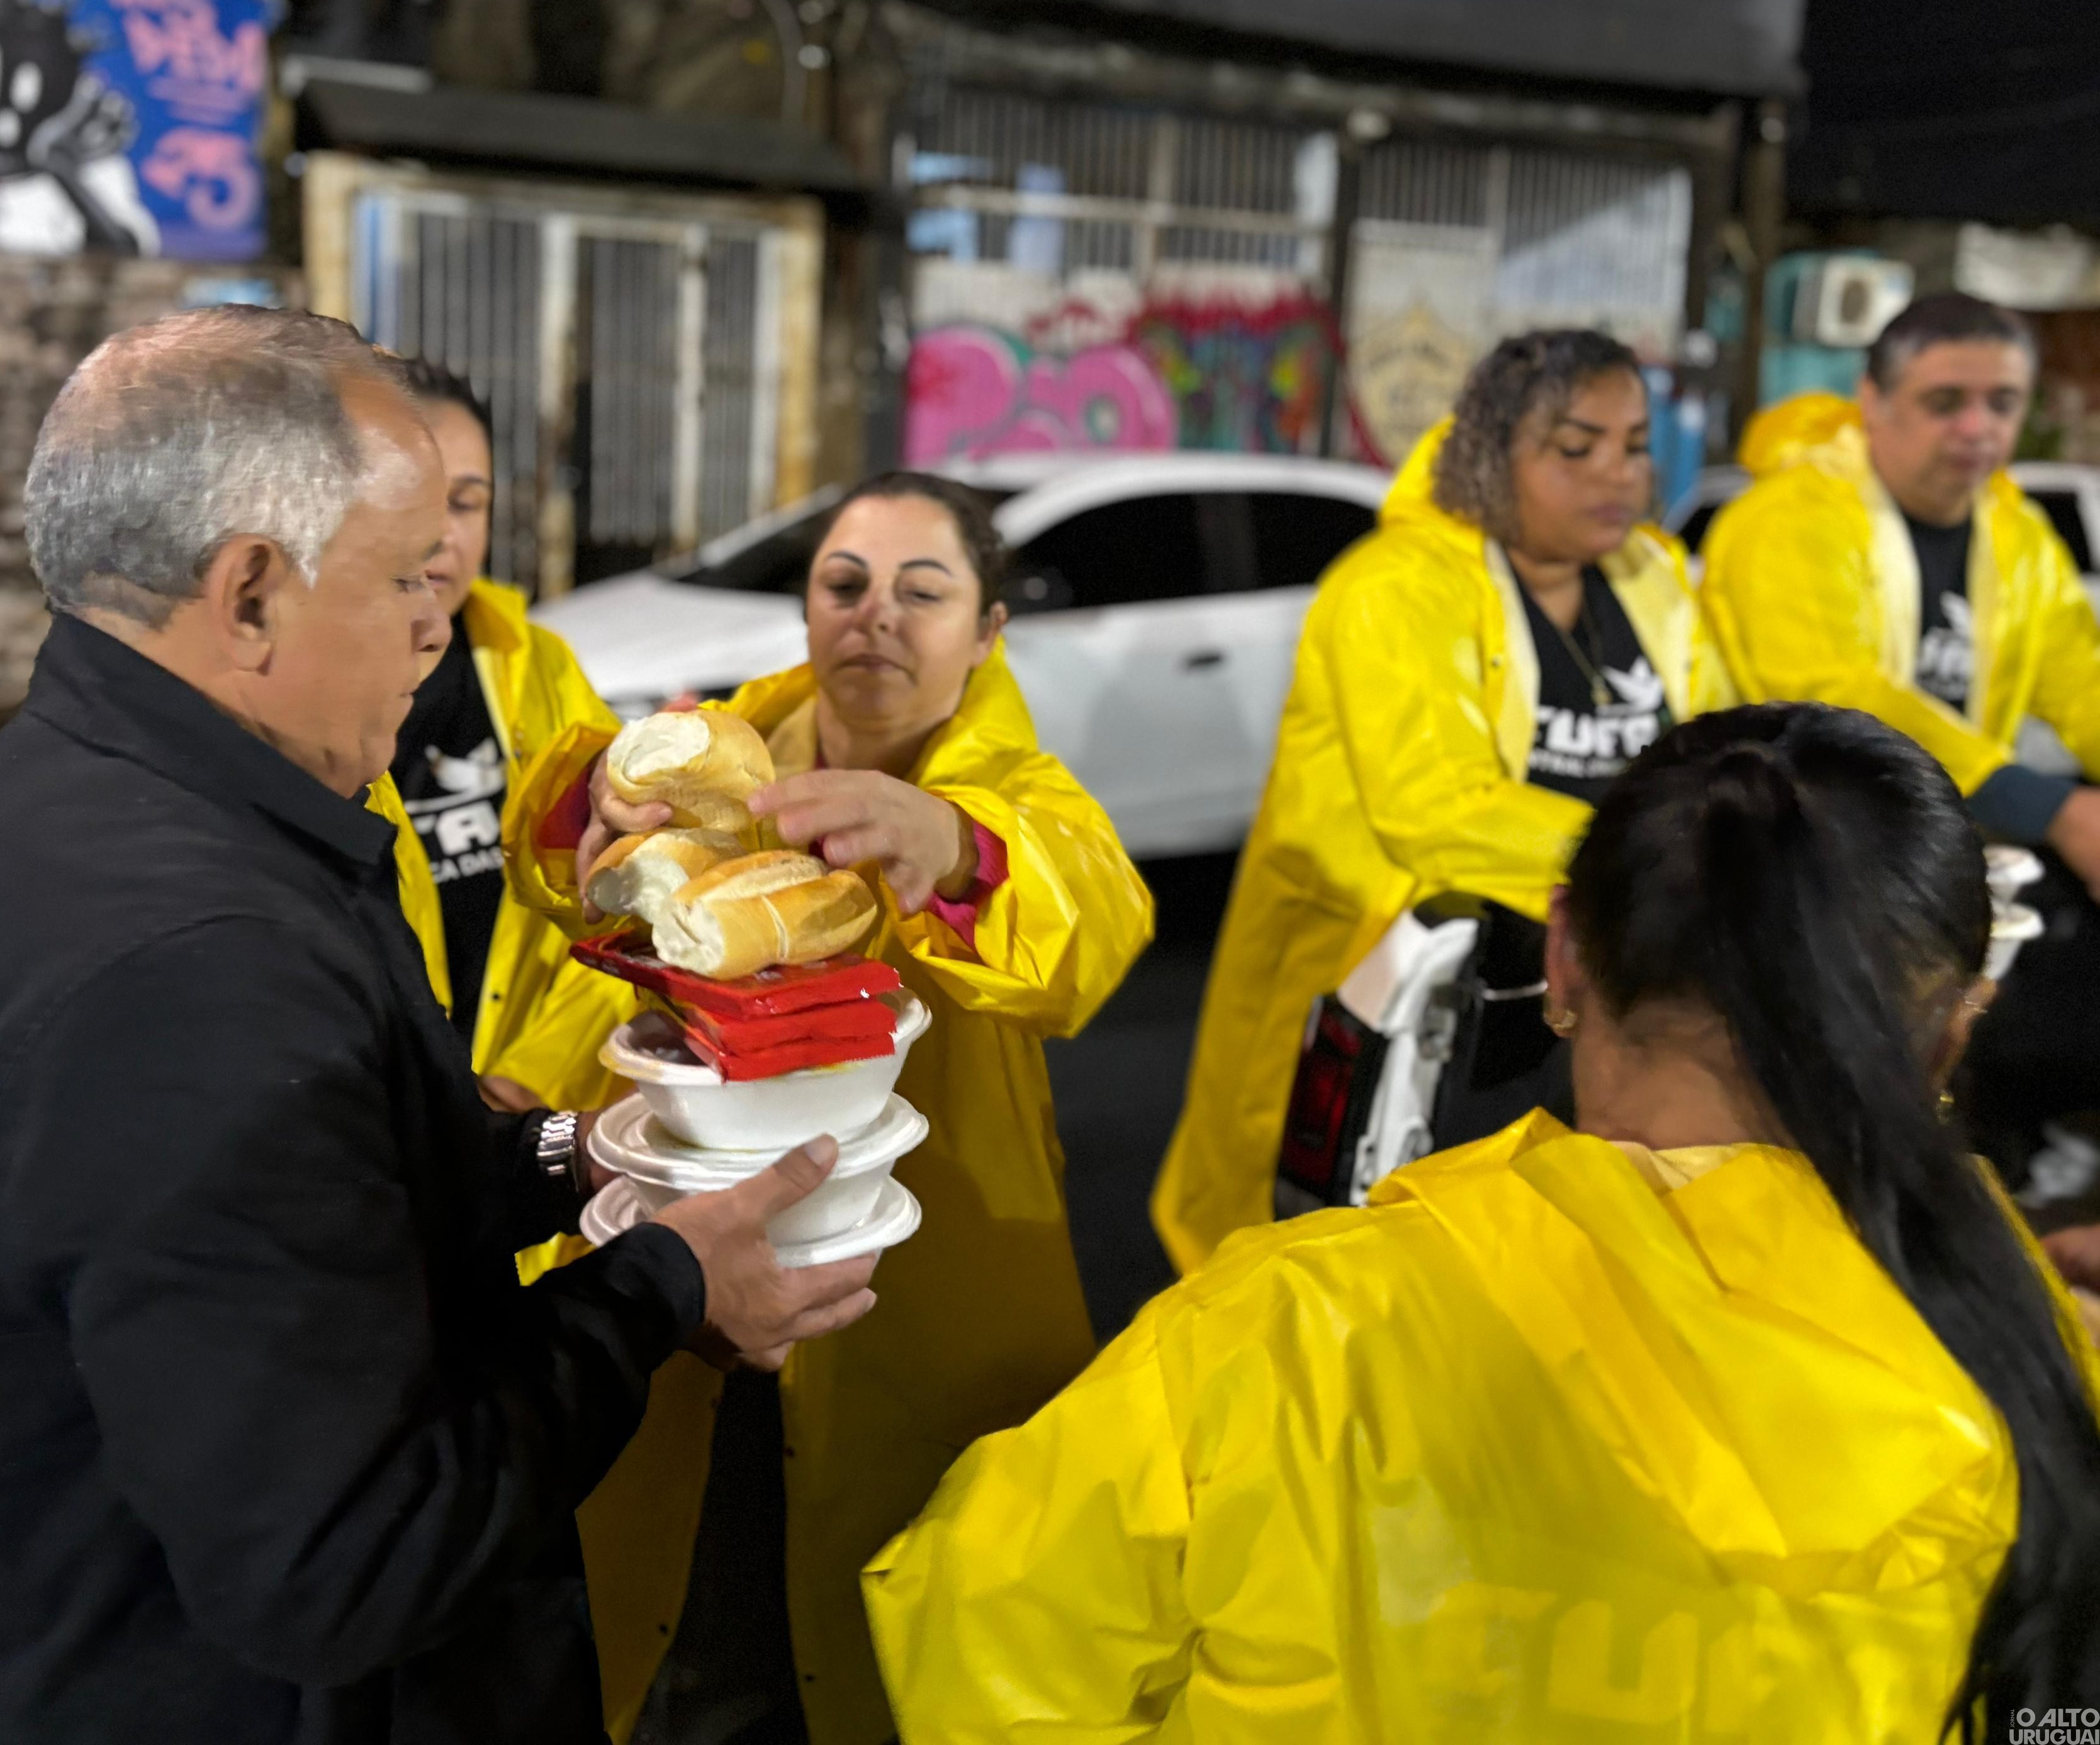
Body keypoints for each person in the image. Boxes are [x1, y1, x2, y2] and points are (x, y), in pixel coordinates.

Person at [0, 306, 880, 1744]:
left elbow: (309, 1209)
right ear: (251, 592)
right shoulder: (195, 969)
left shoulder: (107, 781)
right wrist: (661, 1291)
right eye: (408, 573)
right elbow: (346, 1565)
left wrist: (561, 1161)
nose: (438, 619)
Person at [866, 704, 2100, 1739]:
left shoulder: (1277, 1336)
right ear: (1955, 1023)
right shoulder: (2029, 1361)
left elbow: (980, 1653)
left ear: (1564, 958)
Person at [503, 471, 1154, 1745]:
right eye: (844, 585)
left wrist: (950, 848)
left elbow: (1095, 924)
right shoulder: (726, 747)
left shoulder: (1011, 790)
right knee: (695, 1571)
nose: (876, 618)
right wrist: (595, 824)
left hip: (915, 1273)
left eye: (925, 591)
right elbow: (571, 881)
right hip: (690, 1216)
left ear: (986, 631)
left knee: (884, 1598)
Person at [1153, 330, 1731, 1271]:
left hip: (1588, 984)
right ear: (1494, 454)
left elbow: (1716, 747)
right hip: (1394, 991)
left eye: (1634, 444)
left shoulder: (1652, 580)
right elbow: (1436, 808)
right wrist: (1674, 865)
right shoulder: (1393, 586)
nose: (1618, 475)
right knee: (1316, 1266)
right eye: (1576, 448)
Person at [1704, 295, 2100, 895]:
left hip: (1918, 862)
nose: (1977, 427)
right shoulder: (1790, 517)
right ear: (1873, 400)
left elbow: (2079, 679)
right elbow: (1833, 695)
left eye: (2003, 403)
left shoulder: (2018, 536)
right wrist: (2052, 809)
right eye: (1944, 402)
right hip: (1784, 870)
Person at [377, 357, 636, 1114]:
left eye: (467, 502)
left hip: (526, 1136)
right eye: (411, 499)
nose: (441, 536)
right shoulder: (289, 695)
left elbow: (625, 903)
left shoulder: (538, 668)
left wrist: (529, 1084)